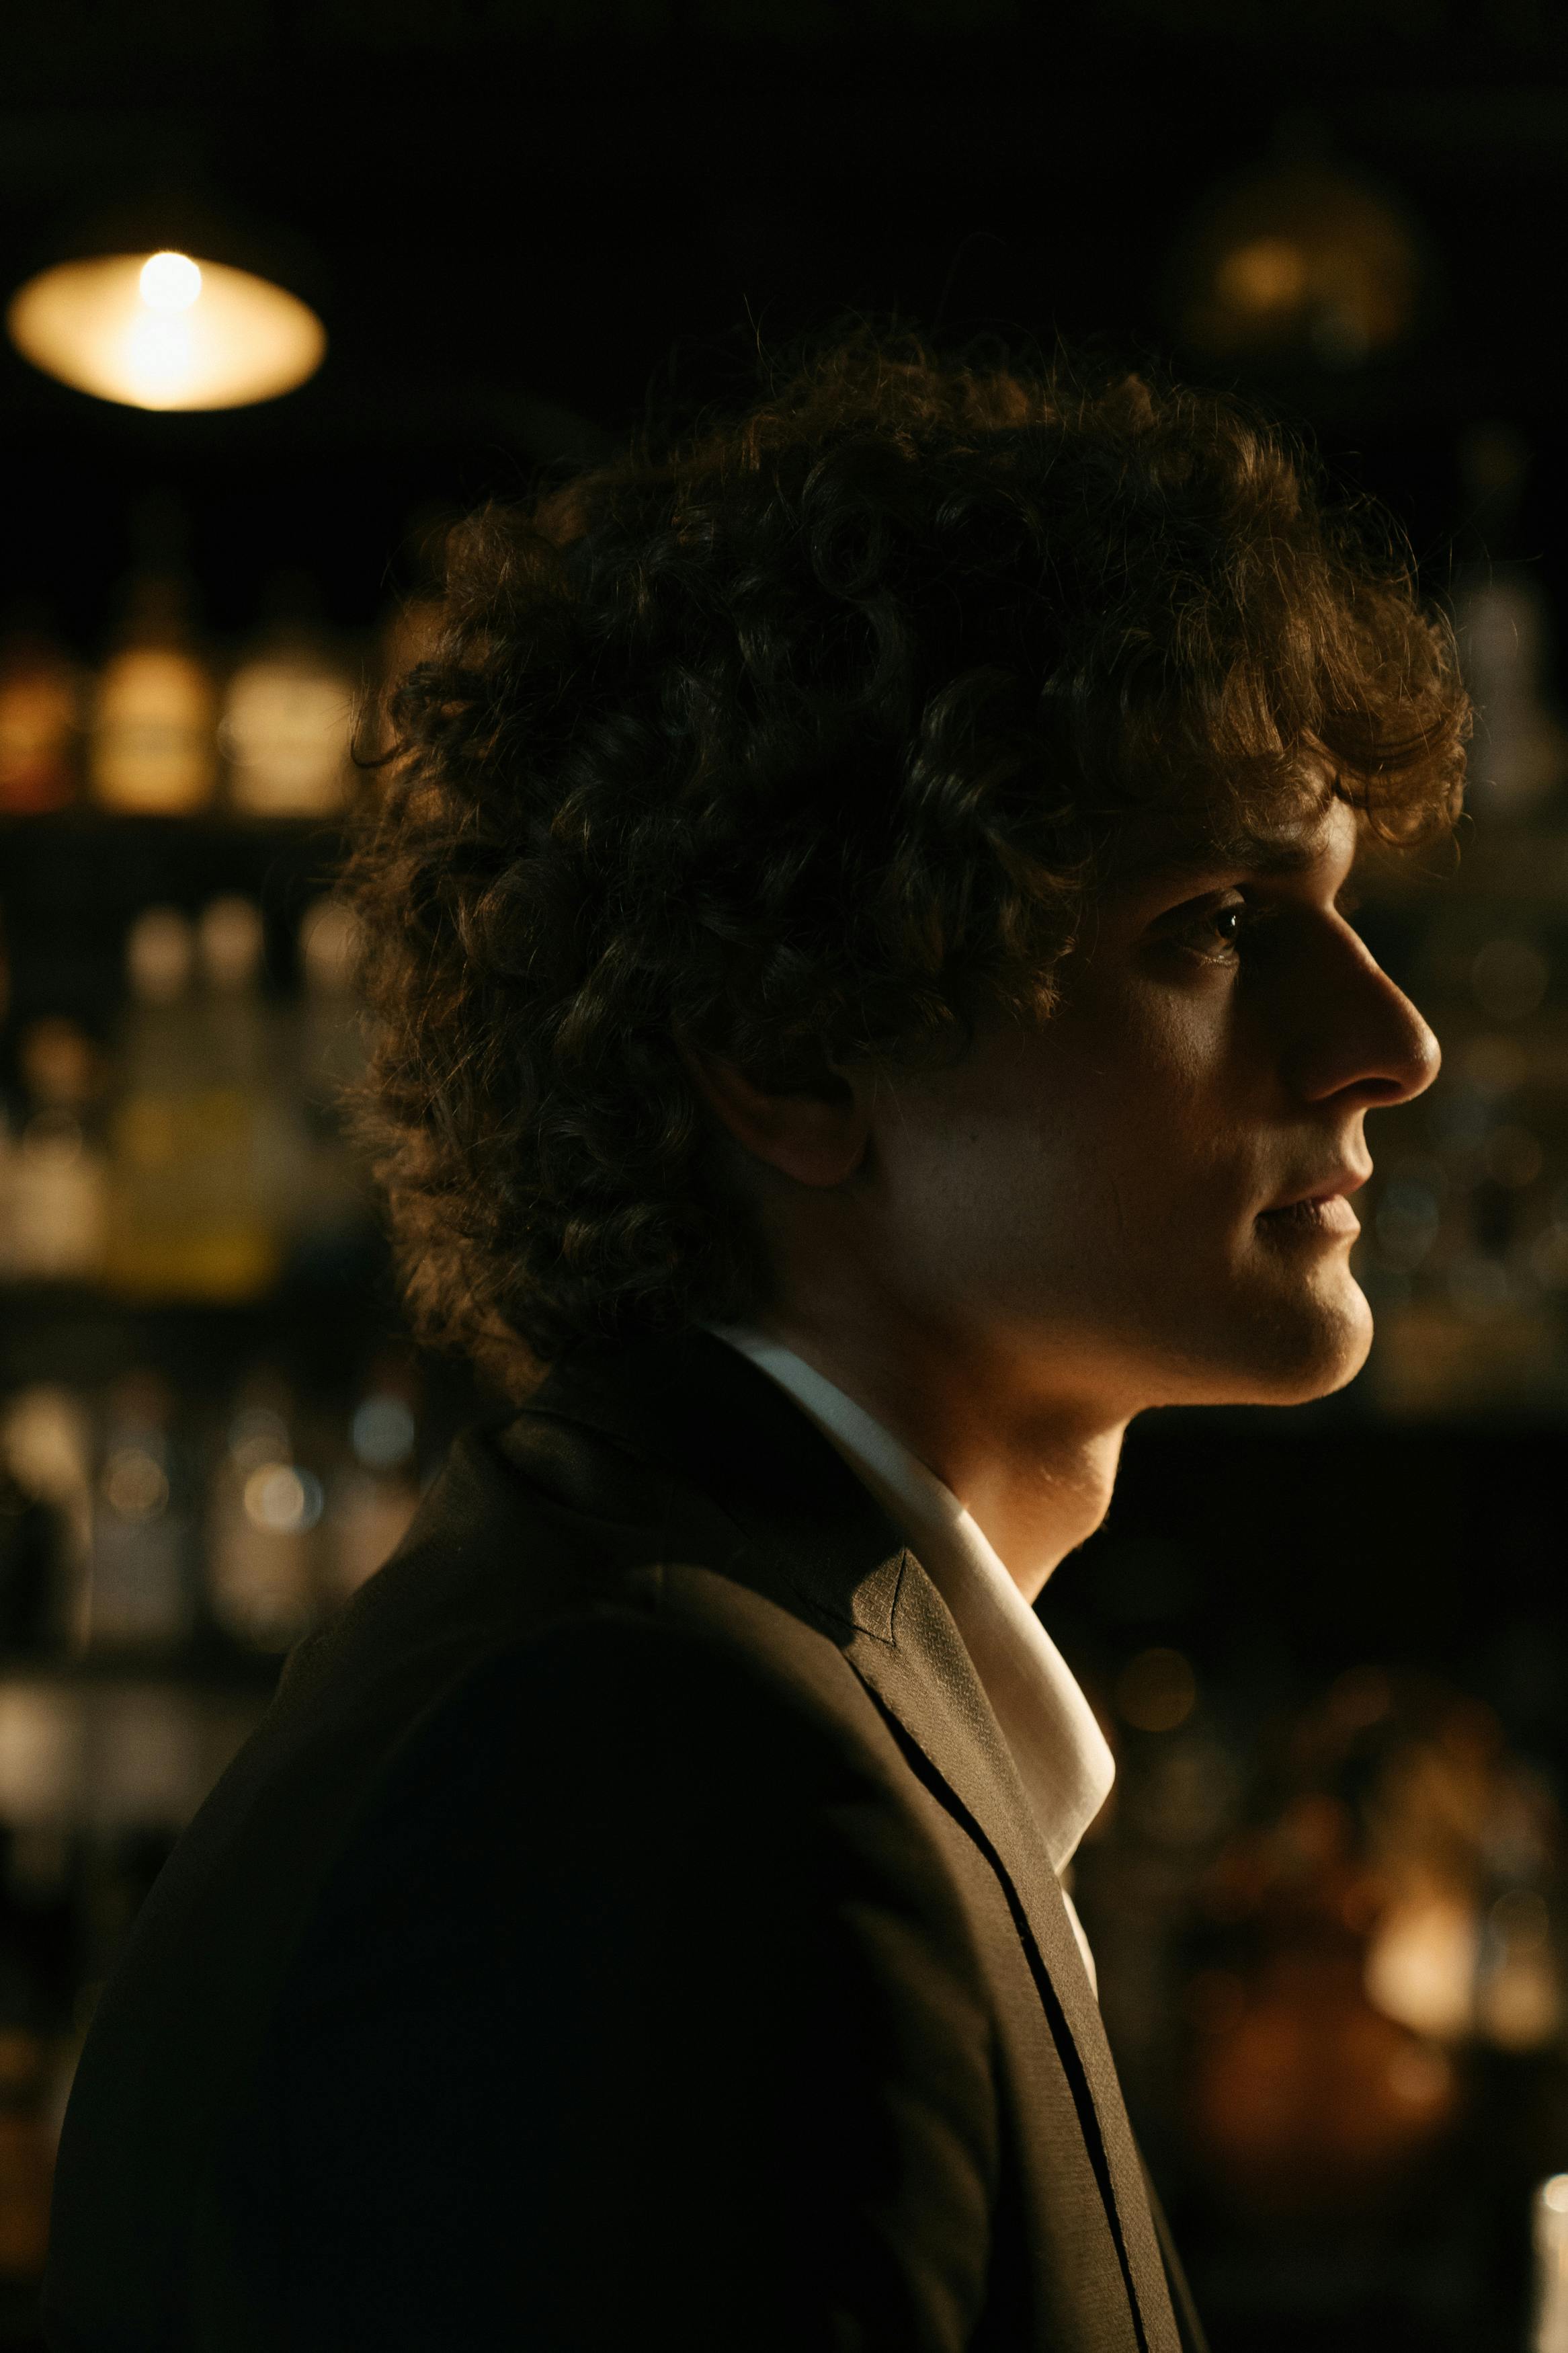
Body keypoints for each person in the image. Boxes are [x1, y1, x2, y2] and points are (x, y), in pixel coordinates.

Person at [43, 337, 1466, 2352]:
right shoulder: (671, 1791)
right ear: (793, 1046)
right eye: (1220, 921)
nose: (1390, 1041)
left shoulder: (726, 1689)